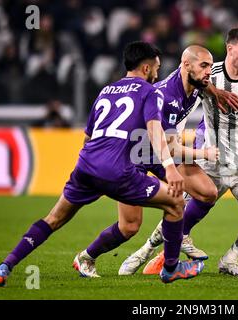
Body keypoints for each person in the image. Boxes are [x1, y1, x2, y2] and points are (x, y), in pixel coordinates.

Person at [0, 41, 204, 286]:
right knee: (176, 202)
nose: (157, 73)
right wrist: (169, 167)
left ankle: (5, 266)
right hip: (118, 171)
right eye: (156, 68)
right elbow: (155, 132)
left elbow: (88, 137)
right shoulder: (150, 92)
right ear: (145, 68)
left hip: (86, 165)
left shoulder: (106, 90)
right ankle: (171, 268)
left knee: (54, 219)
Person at [124, 27, 238, 277]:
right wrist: (175, 148)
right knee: (181, 210)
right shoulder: (209, 75)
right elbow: (182, 105)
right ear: (230, 49)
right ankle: (147, 251)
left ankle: (236, 260)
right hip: (212, 158)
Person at [72, 45, 225, 278]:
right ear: (186, 66)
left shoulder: (194, 84)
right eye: (204, 66)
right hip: (135, 157)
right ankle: (86, 257)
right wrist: (204, 154)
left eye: (210, 67)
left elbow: (201, 78)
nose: (208, 72)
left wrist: (216, 91)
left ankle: (176, 239)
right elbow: (171, 146)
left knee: (207, 192)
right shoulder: (167, 96)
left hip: (156, 153)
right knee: (129, 227)